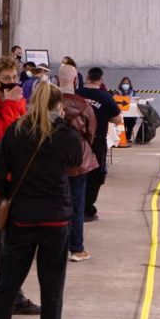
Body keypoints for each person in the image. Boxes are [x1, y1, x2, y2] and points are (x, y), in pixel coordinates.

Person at [0, 82, 82, 319]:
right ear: (58, 105)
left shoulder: (16, 131)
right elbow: (76, 163)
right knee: (52, 290)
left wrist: (13, 192)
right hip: (56, 218)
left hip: (22, 217)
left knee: (7, 287)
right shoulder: (65, 135)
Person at [0, 55, 40, 317]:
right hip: (3, 180)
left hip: (20, 178)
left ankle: (4, 291)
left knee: (5, 240)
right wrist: (12, 105)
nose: (12, 83)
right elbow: (7, 135)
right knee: (4, 239)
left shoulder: (18, 100)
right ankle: (9, 295)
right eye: (6, 79)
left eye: (14, 78)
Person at [60, 87, 99, 261]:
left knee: (55, 205)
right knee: (77, 207)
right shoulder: (83, 105)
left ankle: (55, 246)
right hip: (79, 162)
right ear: (76, 80)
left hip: (55, 161)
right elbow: (91, 131)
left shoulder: (50, 101)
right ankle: (76, 248)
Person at [77, 67, 121, 221]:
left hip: (77, 140)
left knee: (76, 171)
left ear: (87, 78)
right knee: (96, 175)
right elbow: (118, 120)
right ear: (101, 80)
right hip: (97, 141)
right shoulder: (106, 97)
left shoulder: (77, 93)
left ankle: (76, 206)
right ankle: (88, 207)